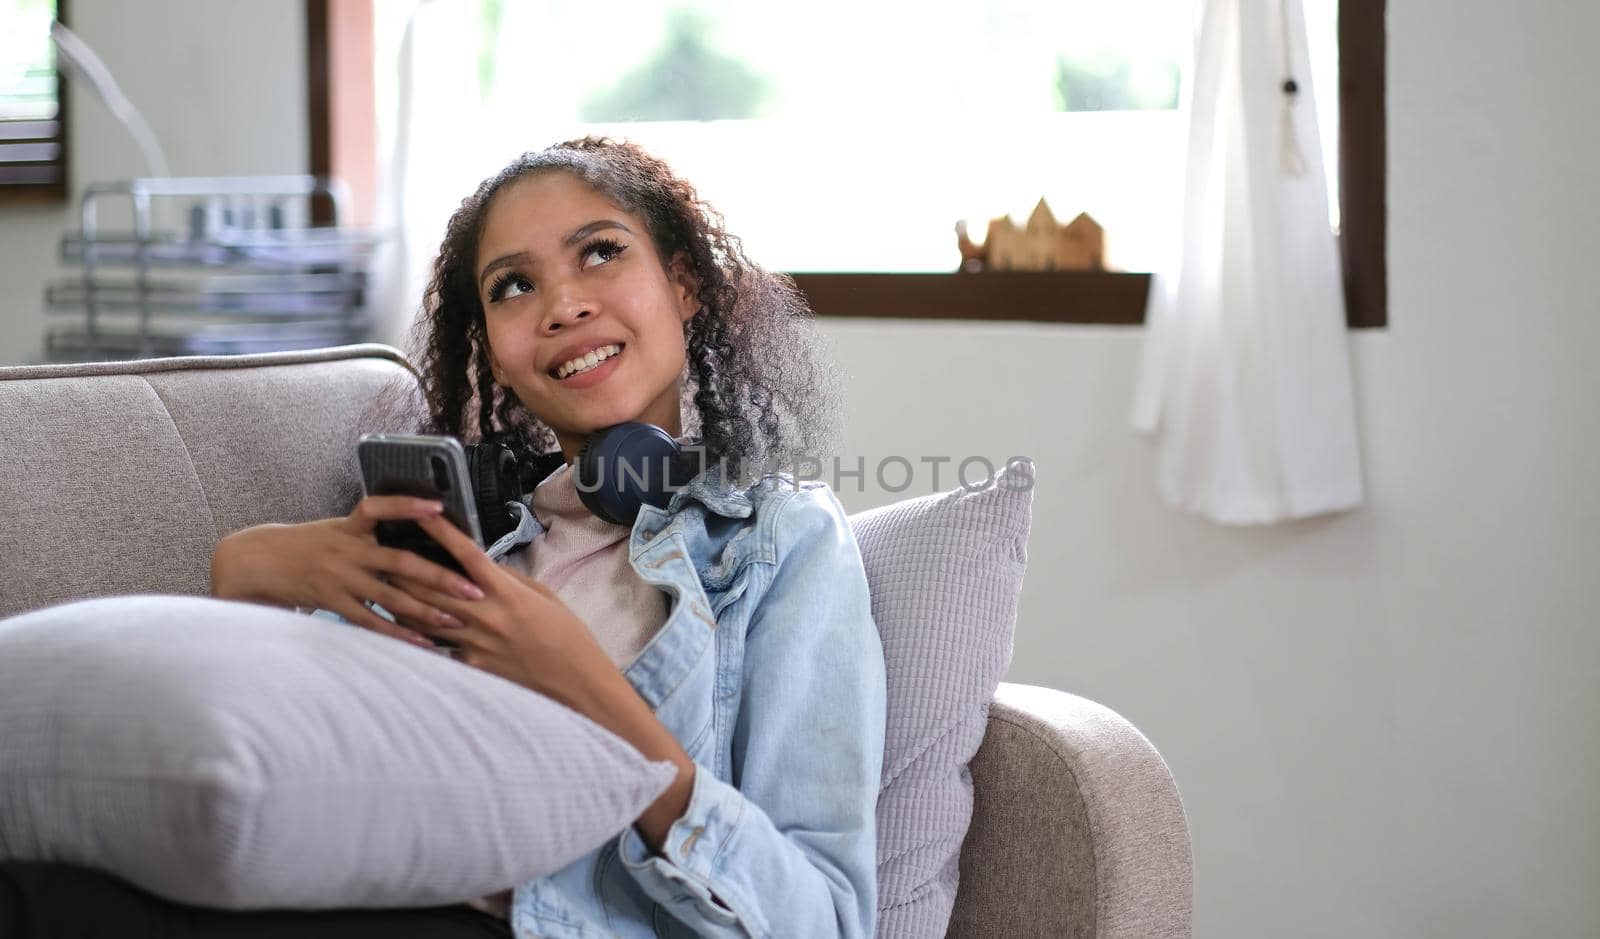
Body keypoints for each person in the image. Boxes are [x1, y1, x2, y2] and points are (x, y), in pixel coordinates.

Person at [0, 137, 888, 939]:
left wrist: (583, 686)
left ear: (684, 283)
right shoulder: (470, 534)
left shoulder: (779, 540)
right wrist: (253, 567)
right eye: (514, 285)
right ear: (493, 352)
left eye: (601, 253)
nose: (563, 305)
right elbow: (295, 766)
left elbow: (824, 919)